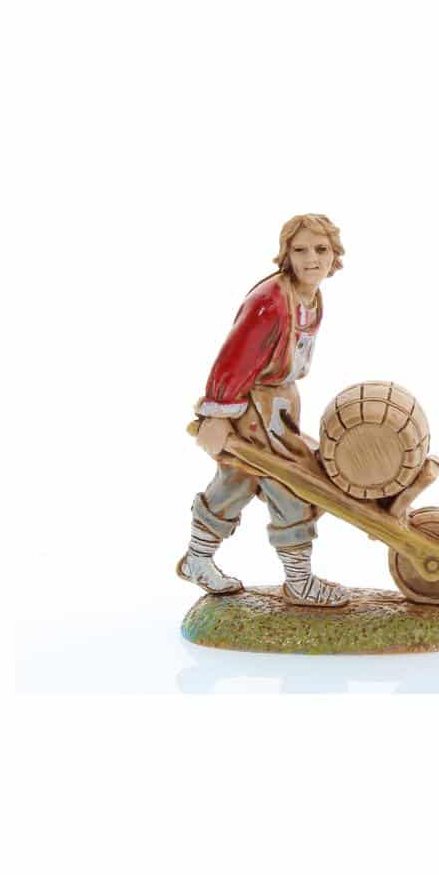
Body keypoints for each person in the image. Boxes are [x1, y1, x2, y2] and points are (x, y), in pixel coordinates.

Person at [177, 214, 350, 607]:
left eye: (321, 249)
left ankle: (197, 559)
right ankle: (299, 582)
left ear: (334, 255)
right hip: (255, 407)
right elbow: (234, 358)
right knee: (293, 482)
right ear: (286, 254)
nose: (311, 258)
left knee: (237, 481)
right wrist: (218, 415)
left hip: (279, 403)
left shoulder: (311, 297)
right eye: (300, 249)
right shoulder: (270, 301)